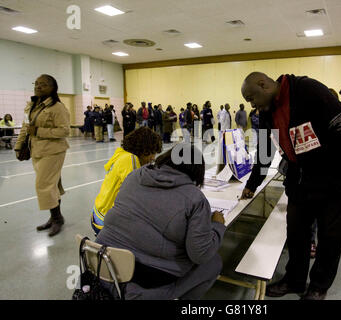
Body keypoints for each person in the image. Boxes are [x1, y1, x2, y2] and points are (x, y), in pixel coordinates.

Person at [240, 72, 341, 300]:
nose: (252, 104)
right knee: (296, 234)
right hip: (301, 179)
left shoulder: (307, 90)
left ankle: (318, 286)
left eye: (251, 98)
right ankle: (294, 280)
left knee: (330, 238)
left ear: (263, 84)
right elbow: (265, 151)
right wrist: (252, 184)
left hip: (335, 178)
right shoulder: (267, 112)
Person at [95, 144, 225, 300]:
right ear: (197, 173)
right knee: (213, 263)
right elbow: (200, 254)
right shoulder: (195, 199)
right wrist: (217, 226)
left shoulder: (134, 176)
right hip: (142, 285)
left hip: (103, 265)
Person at [14, 74, 70, 237]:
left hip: (53, 151)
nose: (38, 87)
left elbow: (65, 130)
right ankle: (55, 217)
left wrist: (39, 131)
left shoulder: (58, 107)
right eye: (37, 84)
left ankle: (57, 218)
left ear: (53, 88)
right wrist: (18, 146)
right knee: (51, 185)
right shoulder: (31, 106)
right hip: (37, 150)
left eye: (43, 84)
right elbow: (25, 127)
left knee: (43, 185)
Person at [91, 127, 162, 235]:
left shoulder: (121, 154)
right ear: (143, 149)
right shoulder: (130, 159)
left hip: (97, 215)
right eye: (152, 153)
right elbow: (138, 195)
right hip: (105, 223)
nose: (153, 158)